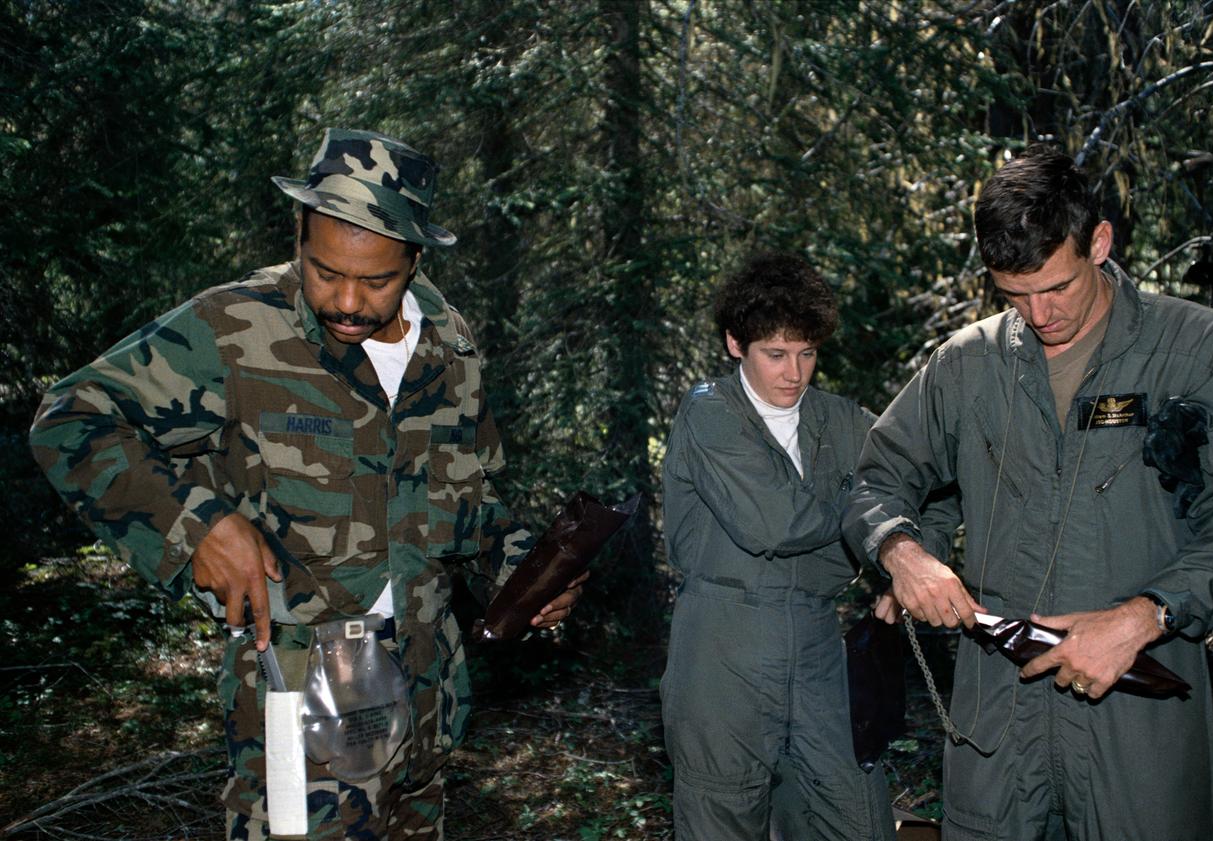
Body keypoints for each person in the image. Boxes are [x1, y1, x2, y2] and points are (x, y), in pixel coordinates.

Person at [29, 128, 582, 841]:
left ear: (414, 258)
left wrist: (524, 568)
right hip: (302, 707)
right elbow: (70, 419)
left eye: (377, 280)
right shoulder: (237, 327)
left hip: (426, 700)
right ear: (299, 233)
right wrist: (196, 525)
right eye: (324, 271)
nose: (347, 300)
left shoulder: (451, 341)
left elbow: (467, 501)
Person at [845, 145, 1213, 841]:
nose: (1039, 314)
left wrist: (1144, 615)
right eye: (1013, 294)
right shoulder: (967, 364)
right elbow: (877, 476)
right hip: (996, 726)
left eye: (1056, 287)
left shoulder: (1200, 349)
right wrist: (902, 551)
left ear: (1099, 242)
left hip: (1137, 714)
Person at [660, 252, 904, 840]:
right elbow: (773, 524)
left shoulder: (837, 420)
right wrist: (869, 524)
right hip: (723, 647)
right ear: (735, 345)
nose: (794, 373)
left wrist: (905, 563)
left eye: (807, 353)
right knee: (722, 810)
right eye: (775, 354)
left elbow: (911, 473)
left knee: (855, 812)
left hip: (818, 640)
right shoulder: (710, 412)